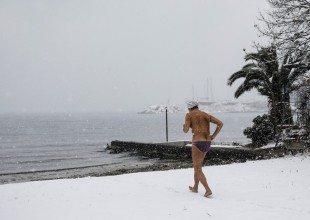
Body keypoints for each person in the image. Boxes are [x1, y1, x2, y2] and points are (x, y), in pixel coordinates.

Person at [183, 100, 223, 198]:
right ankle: (195, 187)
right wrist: (213, 136)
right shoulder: (205, 114)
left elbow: (186, 130)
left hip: (197, 142)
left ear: (189, 108)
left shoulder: (189, 115)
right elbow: (220, 123)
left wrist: (184, 126)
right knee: (198, 167)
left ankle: (207, 189)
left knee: (197, 168)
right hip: (207, 142)